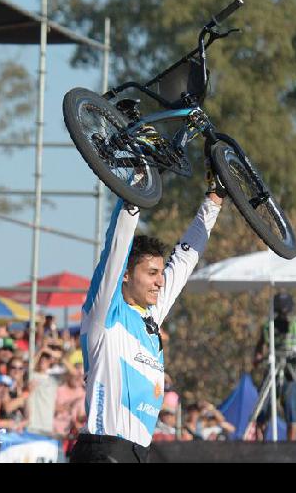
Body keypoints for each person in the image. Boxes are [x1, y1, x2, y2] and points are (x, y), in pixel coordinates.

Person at [69, 176, 224, 463]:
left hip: (139, 453)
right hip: (103, 450)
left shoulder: (151, 315)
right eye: (151, 273)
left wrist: (214, 200)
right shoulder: (105, 313)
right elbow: (116, 246)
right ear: (126, 276)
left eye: (160, 273)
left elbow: (186, 260)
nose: (160, 281)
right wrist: (137, 186)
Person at [253, 292, 296, 441]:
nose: (284, 315)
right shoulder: (269, 325)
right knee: (262, 412)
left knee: (292, 414)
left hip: (290, 372)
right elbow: (259, 346)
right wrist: (258, 357)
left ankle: (290, 451)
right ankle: (260, 447)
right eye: (281, 311)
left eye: (286, 310)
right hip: (272, 372)